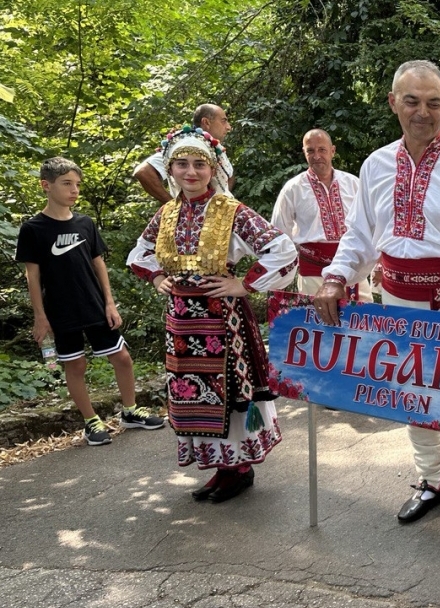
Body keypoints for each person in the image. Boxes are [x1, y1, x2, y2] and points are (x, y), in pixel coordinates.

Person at [314, 60, 440, 533]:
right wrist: (336, 276)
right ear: (393, 102)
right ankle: (429, 479)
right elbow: (360, 235)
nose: (423, 111)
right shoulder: (375, 164)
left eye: (434, 102)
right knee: (414, 394)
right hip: (398, 302)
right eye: (412, 101)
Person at [127, 126, 298, 502]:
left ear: (213, 168)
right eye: (182, 164)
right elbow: (140, 252)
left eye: (199, 164)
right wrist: (157, 277)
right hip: (182, 321)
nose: (191, 172)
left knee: (228, 392)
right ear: (170, 169)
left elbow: (282, 249)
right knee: (196, 396)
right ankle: (221, 469)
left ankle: (238, 469)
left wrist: (245, 284)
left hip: (223, 319)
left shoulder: (231, 210)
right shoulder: (167, 213)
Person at [16, 157, 164, 446]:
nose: (74, 190)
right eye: (67, 184)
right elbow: (31, 277)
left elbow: (99, 265)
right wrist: (40, 316)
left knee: (122, 358)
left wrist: (110, 302)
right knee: (77, 366)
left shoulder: (85, 223)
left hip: (94, 304)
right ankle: (90, 421)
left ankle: (131, 411)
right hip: (61, 311)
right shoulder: (33, 229)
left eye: (77, 184)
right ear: (46, 186)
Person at [271, 129, 372, 302]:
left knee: (361, 322)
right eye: (310, 150)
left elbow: (370, 224)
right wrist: (280, 273)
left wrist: (377, 265)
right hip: (313, 271)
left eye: (322, 150)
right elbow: (279, 233)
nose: (316, 155)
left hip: (352, 268)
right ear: (304, 153)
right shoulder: (293, 188)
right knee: (318, 324)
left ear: (332, 150)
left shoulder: (353, 183)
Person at [134, 104, 234, 203]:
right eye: (223, 121)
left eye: (199, 164)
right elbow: (143, 172)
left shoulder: (215, 147)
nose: (228, 127)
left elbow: (229, 176)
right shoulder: (183, 146)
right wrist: (173, 206)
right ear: (206, 122)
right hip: (193, 216)